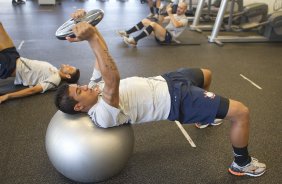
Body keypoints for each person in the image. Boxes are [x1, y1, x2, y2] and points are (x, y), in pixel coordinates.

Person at [54, 12, 266, 177]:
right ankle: (242, 163)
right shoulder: (102, 115)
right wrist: (90, 38)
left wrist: (88, 25)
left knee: (206, 74)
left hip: (167, 80)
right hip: (176, 101)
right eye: (80, 91)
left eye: (80, 85)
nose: (86, 87)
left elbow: (102, 51)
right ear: (79, 107)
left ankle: (203, 119)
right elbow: (112, 78)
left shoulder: (93, 87)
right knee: (241, 113)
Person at [0, 22, 80, 104]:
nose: (68, 65)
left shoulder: (55, 80)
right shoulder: (54, 70)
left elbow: (33, 90)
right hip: (15, 57)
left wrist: (8, 96)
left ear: (68, 76)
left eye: (70, 68)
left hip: (10, 67)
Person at [118, 2, 188, 46]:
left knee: (153, 24)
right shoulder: (174, 15)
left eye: (181, 8)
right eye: (178, 7)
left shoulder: (185, 20)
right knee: (145, 20)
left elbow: (177, 25)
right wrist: (161, 12)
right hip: (163, 34)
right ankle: (127, 33)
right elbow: (161, 21)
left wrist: (170, 13)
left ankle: (135, 40)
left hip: (169, 37)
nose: (178, 9)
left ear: (185, 10)